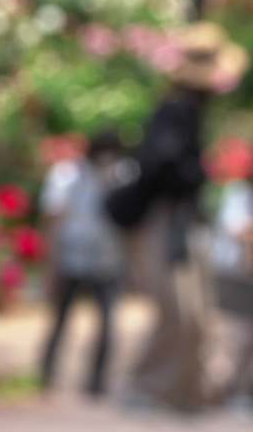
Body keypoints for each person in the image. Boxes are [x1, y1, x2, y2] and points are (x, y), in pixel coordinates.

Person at [125, 22, 249, 412]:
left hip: (182, 220)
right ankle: (149, 389)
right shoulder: (176, 109)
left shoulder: (189, 111)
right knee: (178, 310)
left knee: (196, 313)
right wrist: (201, 171)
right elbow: (161, 165)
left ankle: (185, 392)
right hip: (166, 219)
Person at [39, 130, 130, 396]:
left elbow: (131, 227)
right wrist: (50, 266)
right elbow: (52, 222)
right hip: (71, 260)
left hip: (107, 262)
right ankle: (46, 375)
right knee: (60, 321)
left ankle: (97, 383)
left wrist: (136, 267)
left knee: (107, 325)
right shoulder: (67, 175)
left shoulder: (123, 177)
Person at [209, 175, 253, 412]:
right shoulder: (237, 192)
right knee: (236, 336)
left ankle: (242, 389)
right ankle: (225, 390)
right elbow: (237, 229)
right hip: (234, 275)